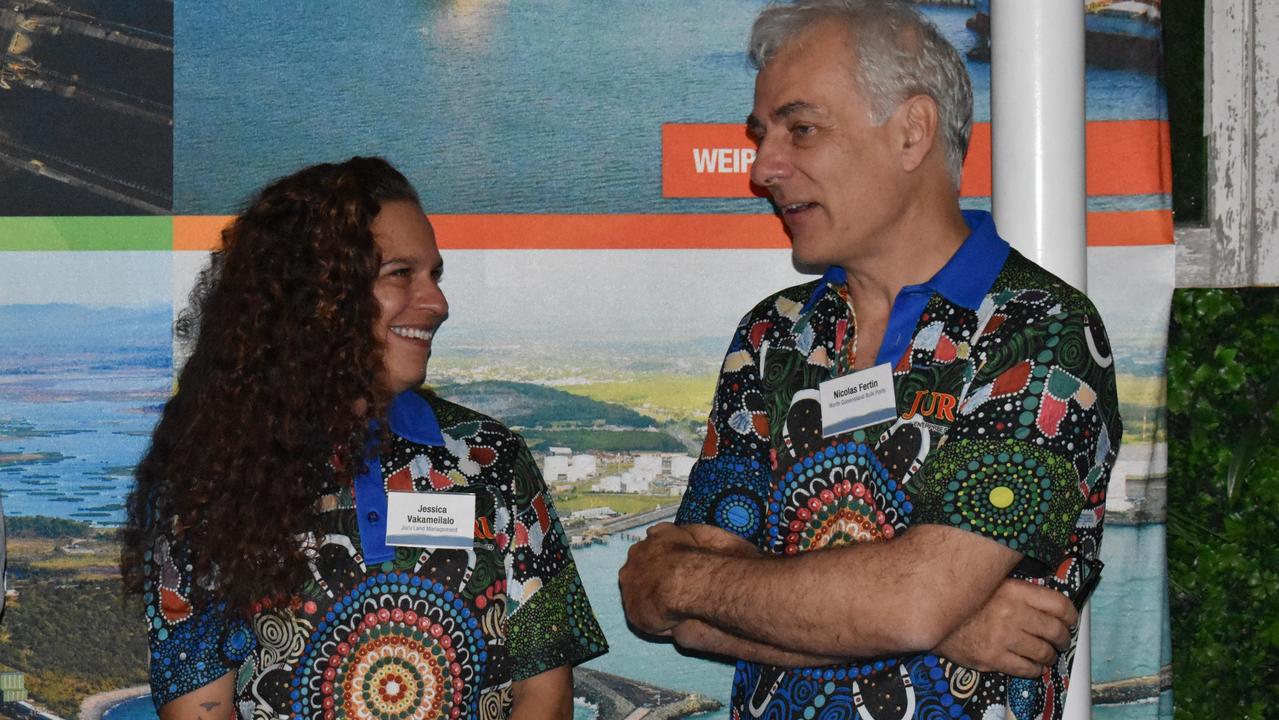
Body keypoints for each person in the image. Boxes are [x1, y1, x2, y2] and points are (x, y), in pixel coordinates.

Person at [619, 2, 1121, 719]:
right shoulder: (771, 336)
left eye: (801, 129)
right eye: (761, 136)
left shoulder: (1040, 332)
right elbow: (666, 610)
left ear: (912, 131)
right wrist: (951, 626)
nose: (763, 167)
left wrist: (699, 581)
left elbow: (910, 600)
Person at [122, 157, 607, 720]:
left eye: (435, 276)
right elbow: (199, 707)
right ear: (313, 293)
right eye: (401, 273)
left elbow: (544, 691)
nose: (438, 304)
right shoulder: (209, 474)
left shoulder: (491, 459)